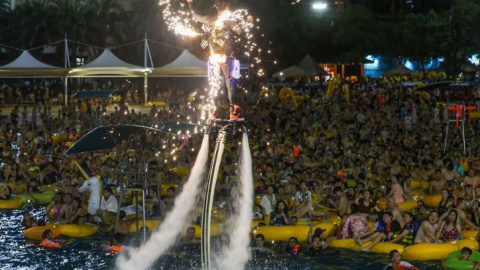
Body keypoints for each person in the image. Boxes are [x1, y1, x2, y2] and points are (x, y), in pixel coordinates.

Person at [187, 0, 252, 120]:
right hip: (225, 57)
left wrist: (190, 4)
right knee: (229, 83)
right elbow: (239, 30)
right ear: (227, 7)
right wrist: (248, 23)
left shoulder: (211, 19)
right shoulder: (226, 20)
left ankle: (216, 110)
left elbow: (195, 15)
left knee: (217, 85)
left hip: (216, 57)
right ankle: (230, 110)